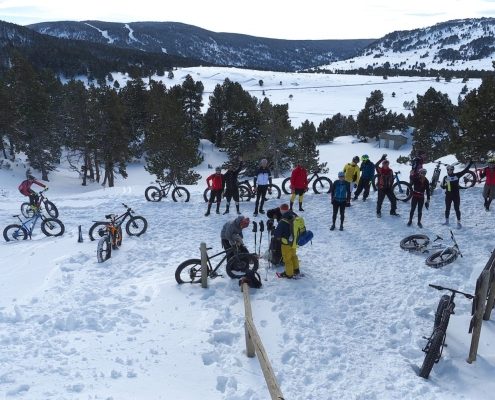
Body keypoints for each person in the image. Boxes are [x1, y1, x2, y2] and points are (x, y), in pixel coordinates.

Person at [440, 161, 473, 227]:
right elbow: (443, 186)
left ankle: (458, 222)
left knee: (457, 209)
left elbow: (465, 170)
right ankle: (447, 221)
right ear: (447, 170)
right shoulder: (445, 178)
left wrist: (470, 163)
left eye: (451, 169)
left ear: (453, 170)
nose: (450, 170)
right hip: (448, 196)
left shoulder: (457, 175)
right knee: (447, 208)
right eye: (448, 169)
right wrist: (444, 186)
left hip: (456, 196)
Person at [273, 203, 300, 278]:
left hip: (286, 243)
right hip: (295, 241)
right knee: (293, 255)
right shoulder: (295, 216)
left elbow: (277, 234)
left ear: (281, 210)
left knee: (287, 258)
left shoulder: (283, 220)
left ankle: (289, 274)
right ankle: (296, 270)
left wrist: (273, 231)